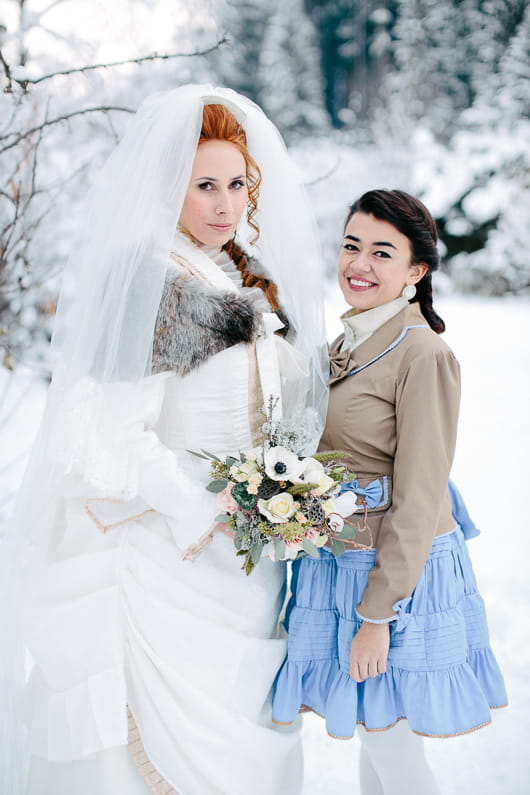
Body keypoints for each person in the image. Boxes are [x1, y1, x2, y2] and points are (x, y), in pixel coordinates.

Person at [0, 85, 328, 795]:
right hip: (162, 551)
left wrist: (281, 491)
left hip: (248, 560)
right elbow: (105, 430)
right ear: (166, 188)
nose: (224, 203)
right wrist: (199, 509)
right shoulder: (151, 284)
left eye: (236, 183)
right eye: (203, 185)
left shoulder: (247, 280)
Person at [272, 189, 507, 795]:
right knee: (377, 733)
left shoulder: (423, 353)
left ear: (416, 270)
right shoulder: (343, 346)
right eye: (351, 246)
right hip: (341, 558)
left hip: (396, 573)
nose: (359, 264)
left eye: (382, 252)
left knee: (392, 746)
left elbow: (424, 494)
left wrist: (378, 614)